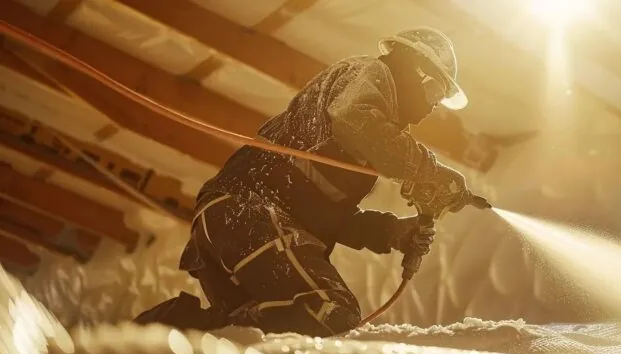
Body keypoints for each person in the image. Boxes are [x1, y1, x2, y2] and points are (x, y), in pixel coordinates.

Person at [134, 26, 477, 336]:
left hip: (238, 218)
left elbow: (321, 211)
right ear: (416, 69)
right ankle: (172, 335)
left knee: (265, 332)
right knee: (331, 310)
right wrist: (428, 170)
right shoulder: (370, 74)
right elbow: (357, 121)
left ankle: (152, 340)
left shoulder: (359, 141)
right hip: (250, 212)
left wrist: (392, 233)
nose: (433, 107)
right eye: (435, 92)